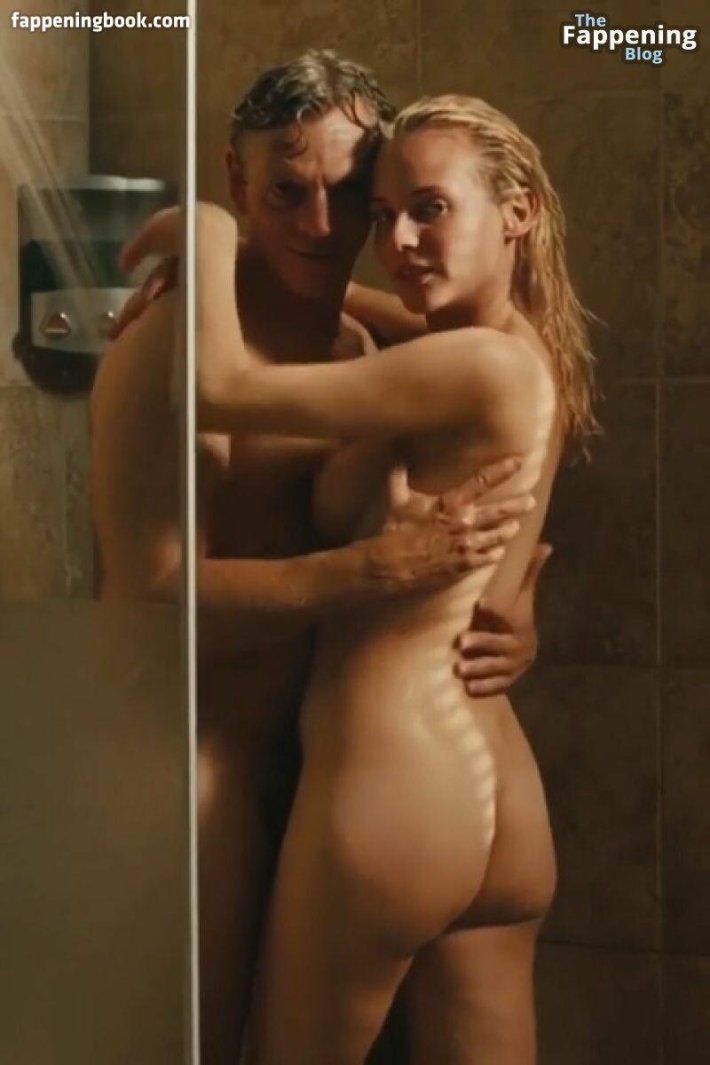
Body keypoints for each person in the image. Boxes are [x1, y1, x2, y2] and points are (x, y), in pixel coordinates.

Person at [94, 53, 549, 1065]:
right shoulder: (167, 352)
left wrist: (509, 603)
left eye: (348, 196)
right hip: (205, 770)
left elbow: (503, 439)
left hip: (346, 776)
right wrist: (374, 571)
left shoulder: (361, 349)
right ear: (235, 178)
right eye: (285, 192)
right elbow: (148, 600)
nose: (319, 225)